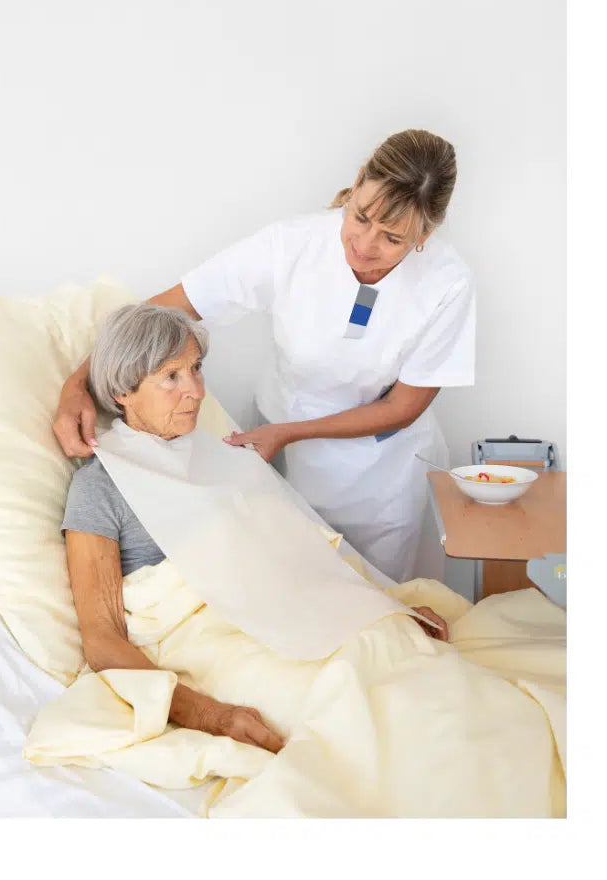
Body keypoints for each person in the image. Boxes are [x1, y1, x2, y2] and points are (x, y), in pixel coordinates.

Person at [54, 129, 475, 583]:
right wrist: (78, 383)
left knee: (378, 595)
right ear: (356, 184)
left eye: (392, 238)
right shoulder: (292, 245)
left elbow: (403, 405)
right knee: (287, 582)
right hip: (282, 456)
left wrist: (288, 433)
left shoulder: (446, 282)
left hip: (380, 477)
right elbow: (170, 308)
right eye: (360, 216)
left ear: (425, 233)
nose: (365, 244)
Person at [60, 303, 448, 756]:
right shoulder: (100, 486)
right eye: (171, 377)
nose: (196, 391)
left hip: (294, 610)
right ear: (122, 391)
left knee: (409, 671)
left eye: (196, 369)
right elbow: (102, 638)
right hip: (211, 641)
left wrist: (385, 604)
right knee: (352, 707)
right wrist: (211, 715)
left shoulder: (223, 457)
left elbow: (299, 552)